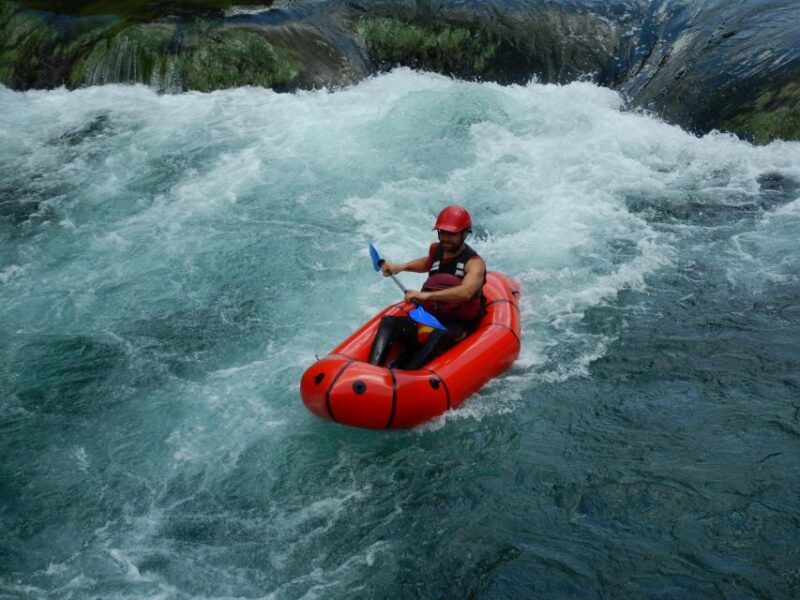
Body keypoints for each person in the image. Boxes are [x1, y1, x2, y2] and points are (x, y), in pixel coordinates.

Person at [368, 205, 487, 370]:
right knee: (389, 322)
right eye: (442, 233)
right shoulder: (437, 250)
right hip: (429, 317)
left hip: (456, 324)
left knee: (439, 334)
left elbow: (466, 292)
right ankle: (372, 370)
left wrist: (425, 296)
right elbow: (428, 262)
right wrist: (399, 267)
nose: (445, 238)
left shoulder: (475, 263)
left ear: (465, 234)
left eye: (451, 234)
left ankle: (406, 377)